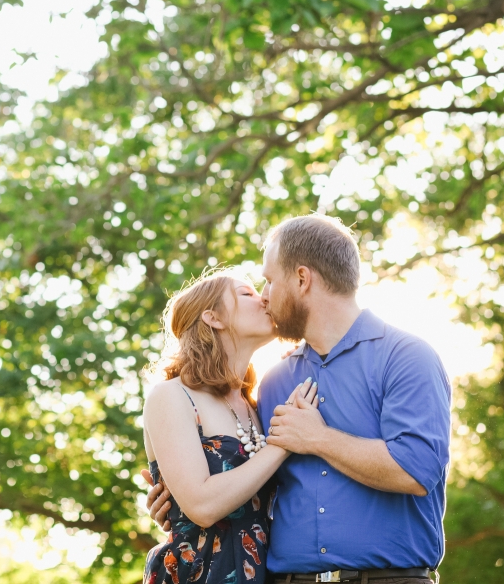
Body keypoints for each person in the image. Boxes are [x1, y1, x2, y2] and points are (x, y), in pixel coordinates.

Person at [145, 215, 452, 584]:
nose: (264, 294)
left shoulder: (406, 356)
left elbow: (417, 469)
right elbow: (244, 489)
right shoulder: (273, 383)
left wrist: (317, 438)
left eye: (270, 281)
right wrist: (177, 505)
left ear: (302, 279)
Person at [141, 268, 320, 584]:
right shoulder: (171, 396)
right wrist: (282, 443)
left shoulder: (257, 402)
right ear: (214, 318)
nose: (263, 297)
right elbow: (202, 506)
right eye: (247, 293)